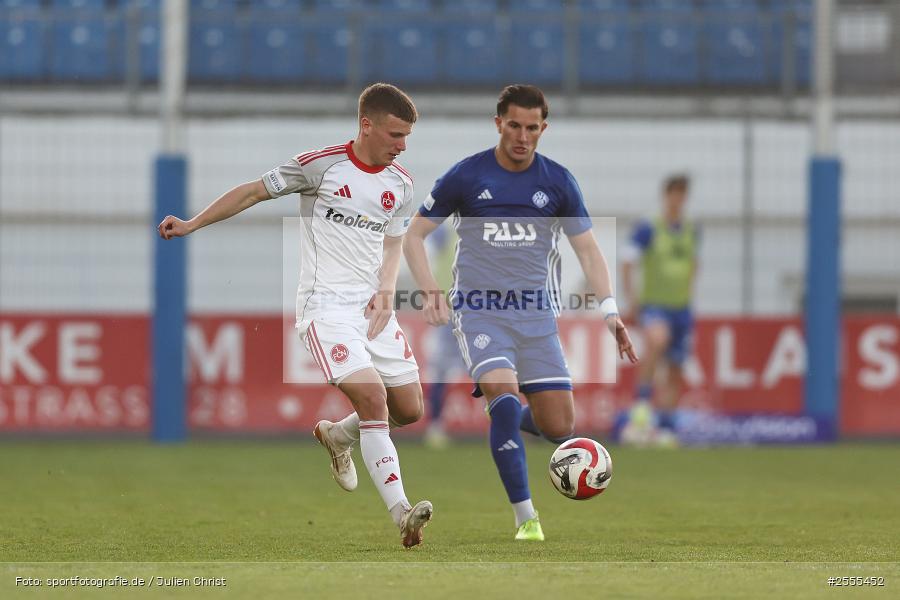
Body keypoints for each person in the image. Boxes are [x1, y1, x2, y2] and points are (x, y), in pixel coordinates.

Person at [157, 83, 433, 549]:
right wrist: (192, 223)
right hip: (325, 308)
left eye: (406, 136)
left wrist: (387, 290)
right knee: (373, 398)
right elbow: (252, 192)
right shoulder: (320, 166)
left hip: (372, 309)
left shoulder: (400, 183)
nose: (402, 145)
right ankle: (402, 512)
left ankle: (338, 436)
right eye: (395, 134)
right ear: (366, 125)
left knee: (408, 409)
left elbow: (394, 240)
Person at [402, 84, 638, 542]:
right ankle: (526, 517)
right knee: (506, 401)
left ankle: (505, 419)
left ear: (543, 128)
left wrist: (610, 311)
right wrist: (430, 290)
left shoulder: (558, 182)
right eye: (514, 125)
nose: (523, 136)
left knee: (558, 426)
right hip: (479, 312)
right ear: (499, 123)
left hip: (536, 316)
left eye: (532, 128)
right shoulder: (467, 176)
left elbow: (588, 251)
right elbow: (414, 235)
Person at [620, 174, 699, 446]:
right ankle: (641, 405)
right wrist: (631, 298)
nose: (677, 199)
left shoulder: (691, 229)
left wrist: (689, 292)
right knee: (657, 340)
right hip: (654, 304)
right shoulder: (649, 227)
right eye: (674, 194)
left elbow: (693, 263)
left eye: (682, 194)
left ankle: (666, 427)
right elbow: (628, 260)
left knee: (676, 367)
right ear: (666, 196)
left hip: (681, 308)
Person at [422, 223, 466, 449]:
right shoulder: (446, 230)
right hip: (448, 312)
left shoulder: (485, 224)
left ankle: (504, 423)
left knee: (490, 371)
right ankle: (435, 426)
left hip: (478, 312)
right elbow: (423, 251)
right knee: (440, 370)